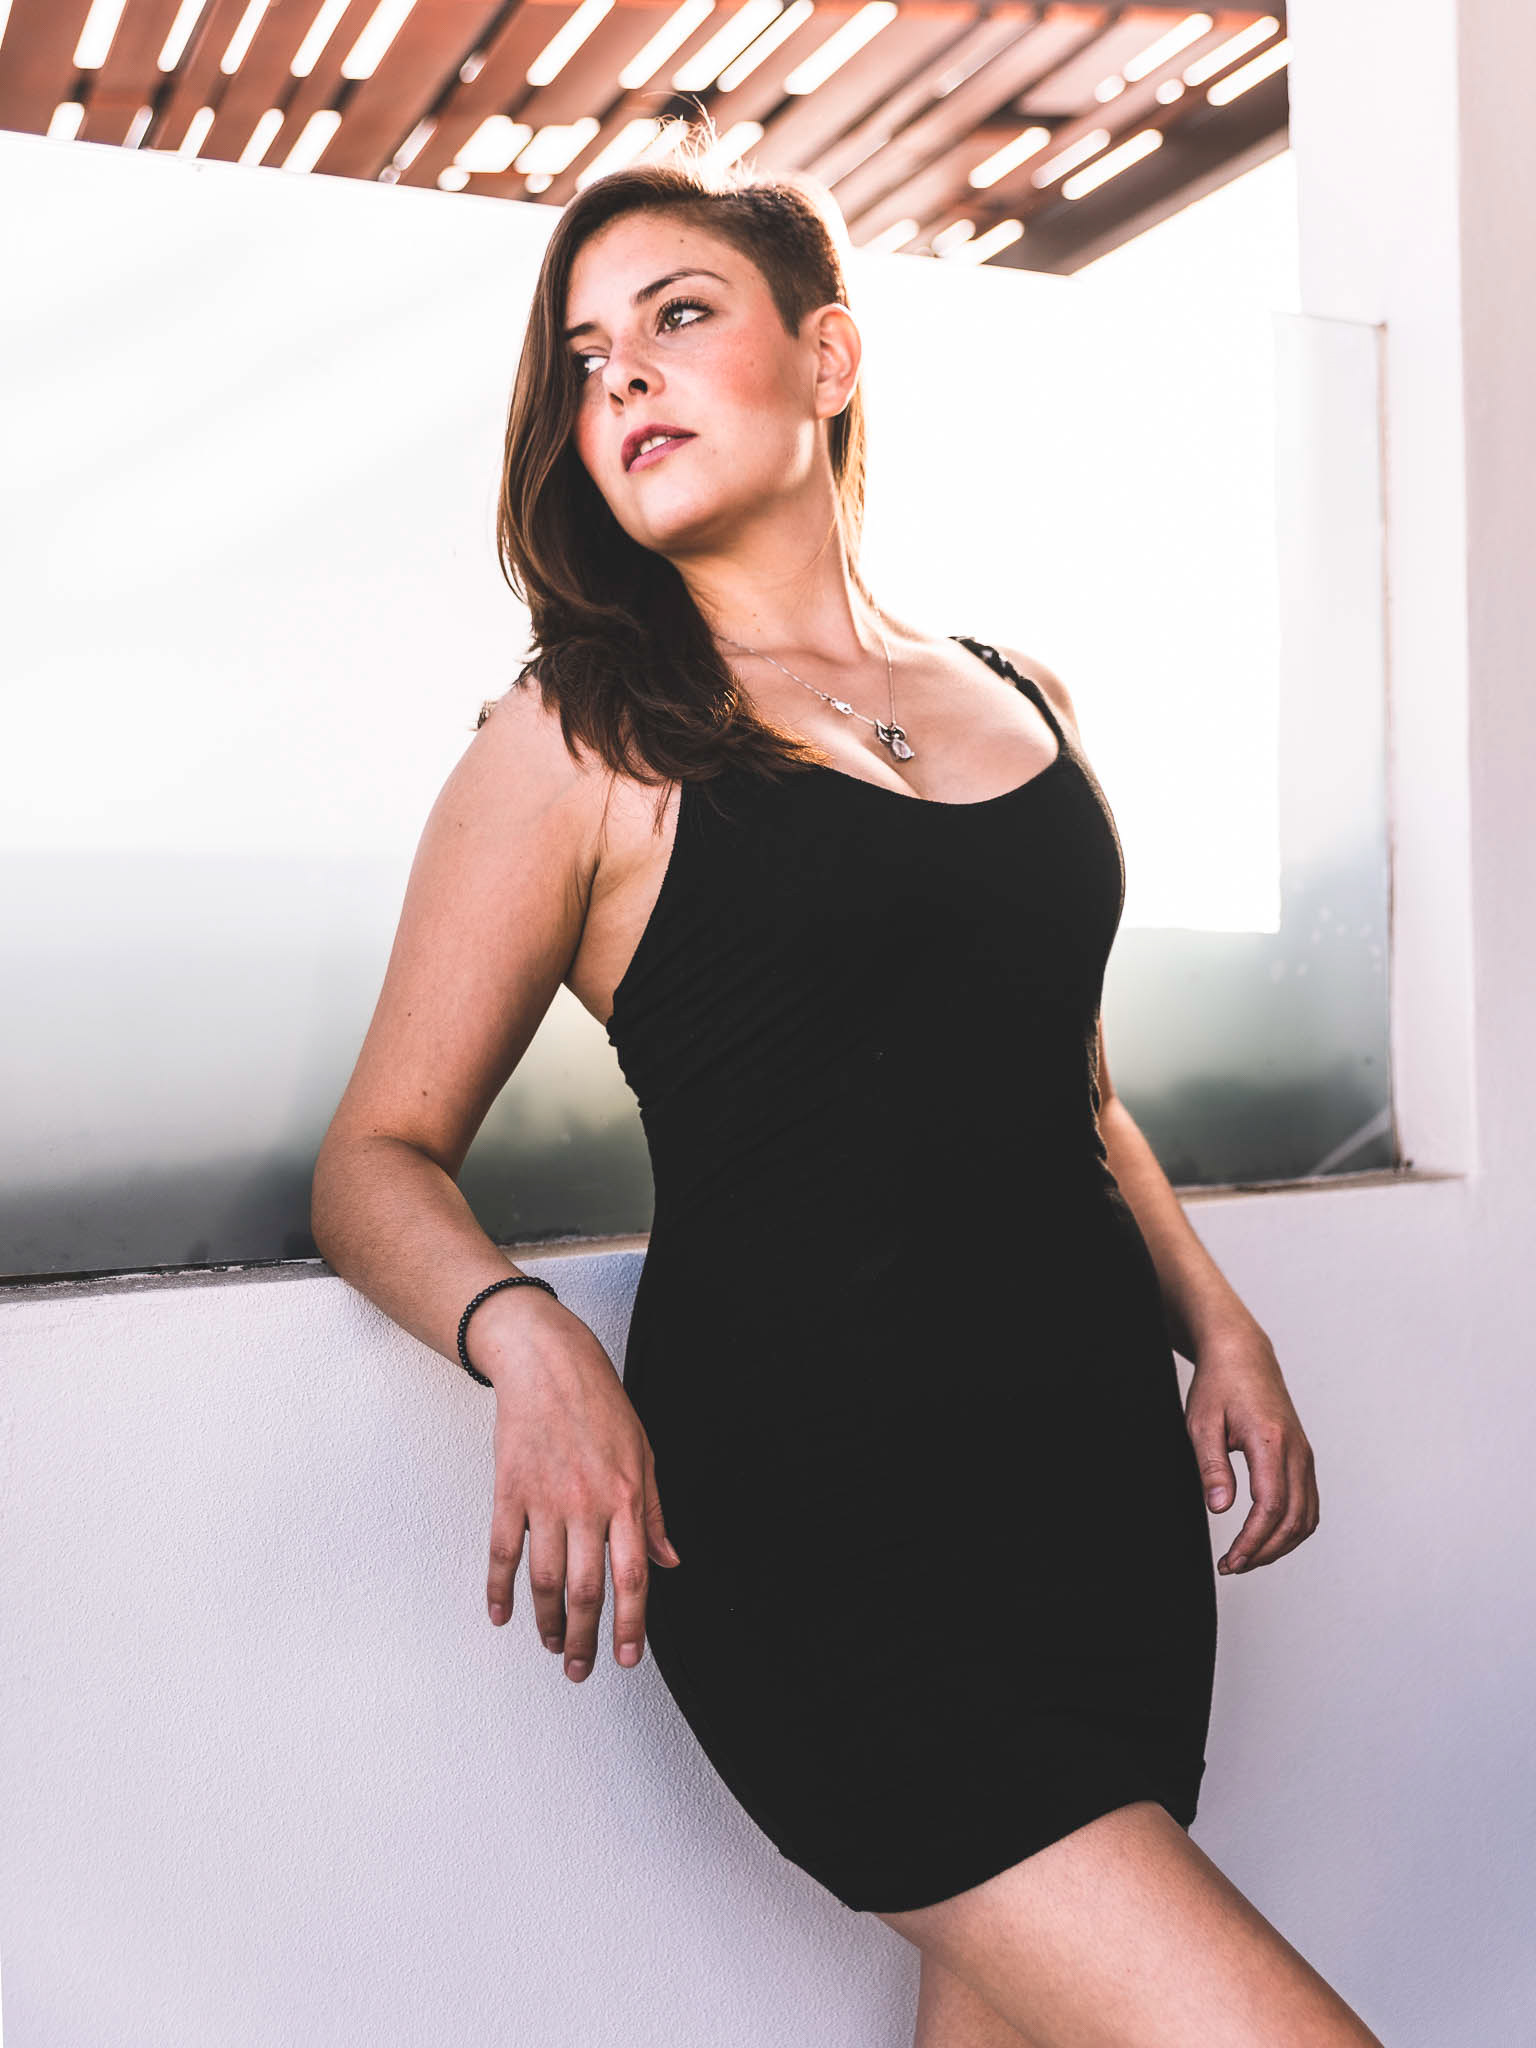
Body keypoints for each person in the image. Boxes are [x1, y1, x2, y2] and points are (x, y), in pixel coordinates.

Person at [311, 137, 1385, 2048]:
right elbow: (374, 1159)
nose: (622, 378)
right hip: (820, 1534)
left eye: (677, 315)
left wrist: (1219, 1326)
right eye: (585, 359)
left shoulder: (1022, 692)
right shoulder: (575, 741)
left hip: (1091, 1505)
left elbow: (1073, 1086)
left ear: (828, 357)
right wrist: (531, 1343)